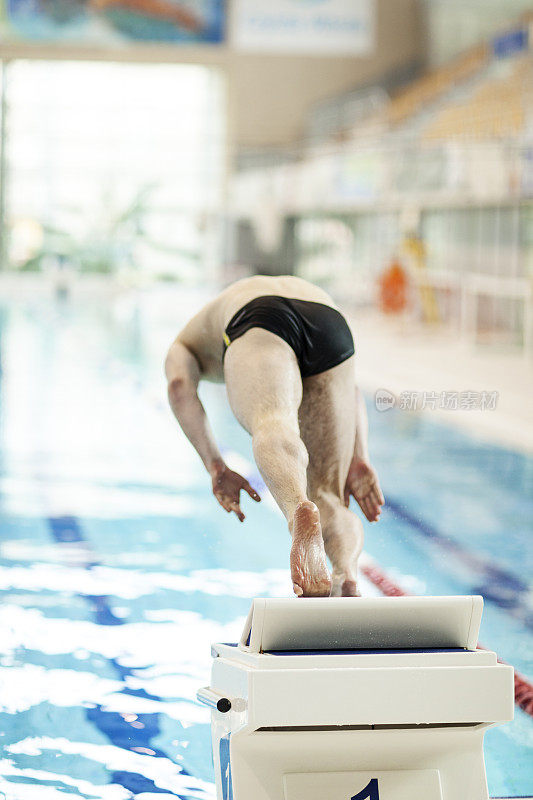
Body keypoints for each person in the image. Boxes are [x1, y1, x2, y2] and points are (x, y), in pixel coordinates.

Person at [165, 275, 384, 598]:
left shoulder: (182, 344)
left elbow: (179, 387)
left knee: (273, 419)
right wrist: (358, 457)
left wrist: (216, 465)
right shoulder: (251, 294)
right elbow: (350, 391)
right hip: (329, 319)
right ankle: (346, 575)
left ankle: (298, 514)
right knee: (329, 497)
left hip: (260, 317)